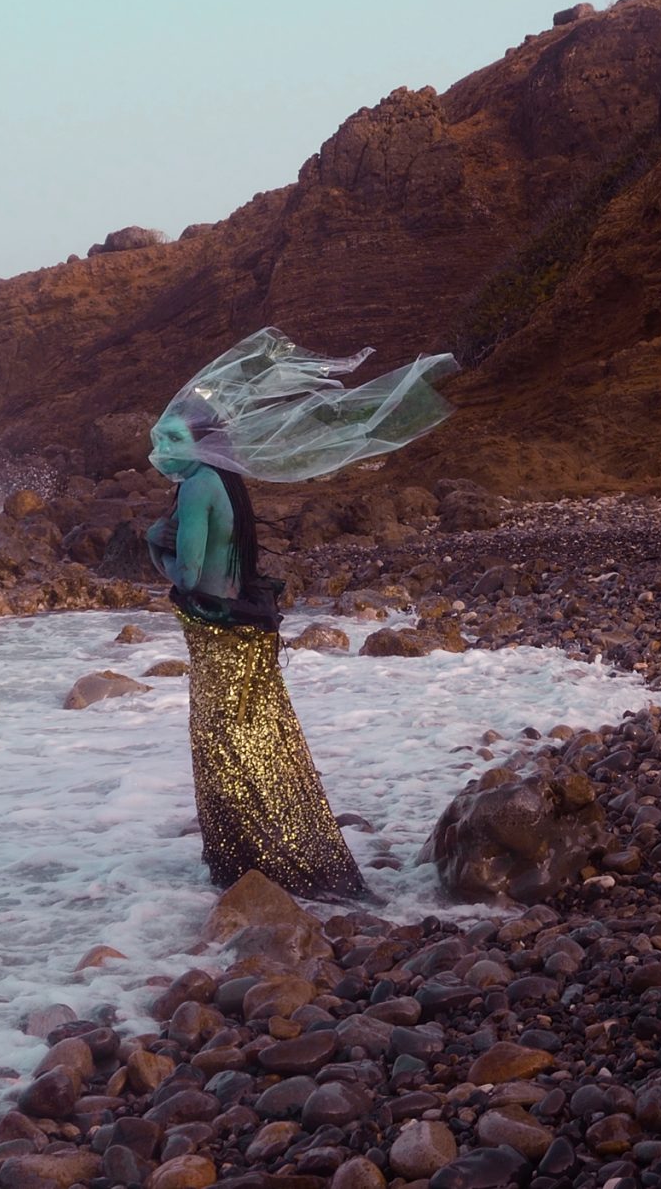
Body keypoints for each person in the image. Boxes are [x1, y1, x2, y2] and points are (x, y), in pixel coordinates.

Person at [143, 329, 458, 899]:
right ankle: (278, 863)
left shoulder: (195, 490)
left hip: (219, 632)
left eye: (168, 436)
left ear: (197, 442)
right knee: (262, 739)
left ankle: (261, 867)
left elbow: (187, 578)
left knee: (228, 748)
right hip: (246, 629)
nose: (157, 448)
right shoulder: (228, 483)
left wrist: (151, 547)